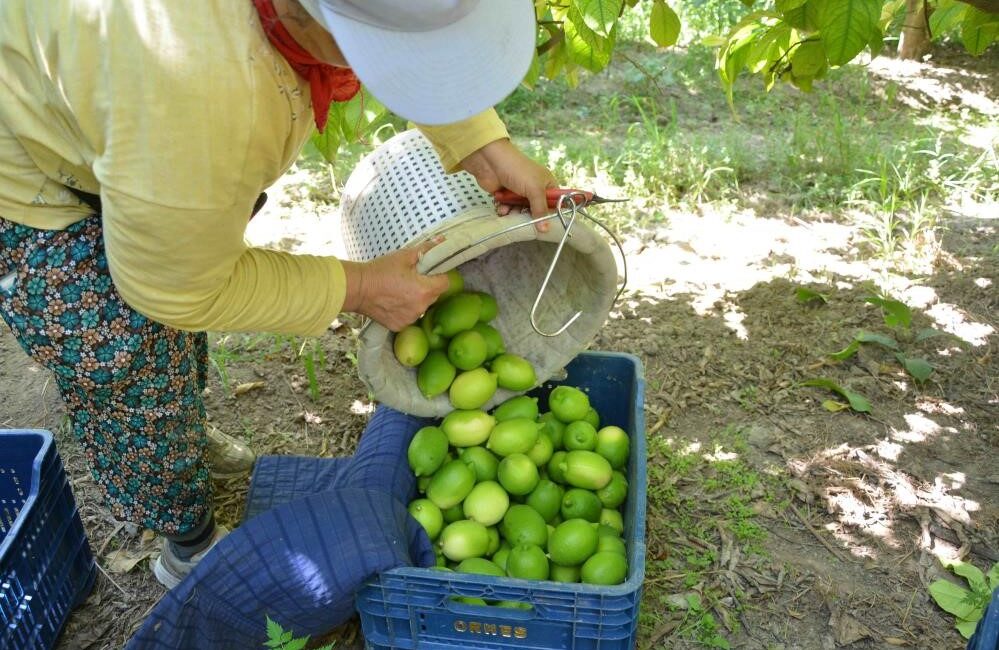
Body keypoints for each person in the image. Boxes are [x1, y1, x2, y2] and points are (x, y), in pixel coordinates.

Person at [0, 0, 555, 589]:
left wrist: (483, 144)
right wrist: (362, 286)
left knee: (174, 347)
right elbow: (174, 285)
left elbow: (408, 32)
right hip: (35, 182)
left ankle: (184, 435)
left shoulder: (251, 49)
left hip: (127, 135)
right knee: (125, 361)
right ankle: (185, 539)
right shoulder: (194, 84)